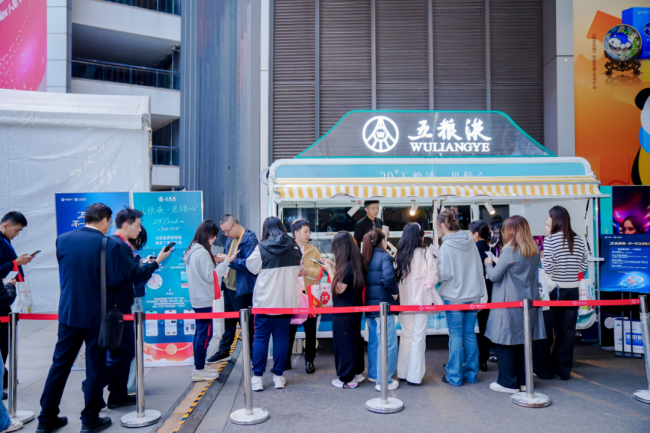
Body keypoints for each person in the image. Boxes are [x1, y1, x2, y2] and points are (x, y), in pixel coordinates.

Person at [37, 204, 123, 433]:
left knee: (59, 365)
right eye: (110, 221)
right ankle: (89, 420)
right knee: (95, 368)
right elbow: (115, 281)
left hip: (68, 313)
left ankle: (45, 419)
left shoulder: (62, 239)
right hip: (97, 316)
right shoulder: (108, 244)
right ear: (104, 220)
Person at [103, 209, 171, 409]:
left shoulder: (111, 243)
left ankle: (117, 395)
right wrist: (157, 262)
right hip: (120, 307)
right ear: (126, 225)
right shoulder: (119, 245)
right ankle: (94, 382)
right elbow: (135, 275)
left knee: (122, 352)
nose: (140, 230)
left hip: (117, 305)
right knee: (125, 352)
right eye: (138, 225)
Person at [485, 216, 546, 393]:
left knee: (505, 342)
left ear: (510, 231)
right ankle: (524, 381)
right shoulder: (534, 250)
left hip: (508, 303)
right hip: (528, 302)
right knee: (523, 342)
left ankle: (508, 383)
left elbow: (494, 276)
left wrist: (488, 264)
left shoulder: (509, 251)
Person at [246, 217, 302, 391]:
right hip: (286, 301)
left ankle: (257, 378)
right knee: (281, 338)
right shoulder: (294, 246)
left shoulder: (261, 247)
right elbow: (298, 269)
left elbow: (251, 267)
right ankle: (278, 377)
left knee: (260, 338)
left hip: (265, 301)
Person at [535, 206, 588, 381]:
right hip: (573, 291)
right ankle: (562, 371)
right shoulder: (578, 239)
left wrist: (543, 259)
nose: (546, 224)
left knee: (545, 330)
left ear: (556, 221)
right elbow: (583, 266)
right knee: (567, 332)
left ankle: (544, 370)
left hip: (555, 290)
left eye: (548, 221)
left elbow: (549, 269)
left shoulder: (550, 239)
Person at [437, 209, 486, 387]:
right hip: (473, 294)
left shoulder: (446, 247)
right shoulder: (470, 242)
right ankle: (471, 374)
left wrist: (435, 265)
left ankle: (454, 376)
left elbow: (444, 274)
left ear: (443, 225)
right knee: (470, 334)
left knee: (456, 336)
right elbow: (479, 268)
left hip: (454, 297)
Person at [208, 215, 258, 363]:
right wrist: (222, 259)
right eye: (223, 232)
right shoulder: (231, 238)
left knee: (246, 324)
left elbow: (249, 264)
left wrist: (227, 260)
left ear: (235, 225)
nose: (225, 234)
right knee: (228, 321)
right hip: (228, 285)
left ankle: (252, 354)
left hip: (242, 288)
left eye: (227, 231)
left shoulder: (250, 239)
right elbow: (228, 259)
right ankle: (224, 350)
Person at [395, 223, 441, 385]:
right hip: (421, 301)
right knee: (418, 337)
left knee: (406, 335)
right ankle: (414, 377)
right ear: (419, 237)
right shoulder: (425, 254)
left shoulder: (399, 255)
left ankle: (402, 372)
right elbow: (433, 278)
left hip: (404, 303)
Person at [322, 232, 365, 389]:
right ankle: (357, 372)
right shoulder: (354, 262)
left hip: (343, 309)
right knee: (354, 340)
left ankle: (347, 378)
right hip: (353, 306)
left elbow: (339, 288)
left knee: (344, 343)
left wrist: (329, 270)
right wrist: (333, 267)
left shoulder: (347, 266)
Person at [183, 220, 222, 382]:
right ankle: (199, 369)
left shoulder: (193, 250)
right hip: (204, 299)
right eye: (213, 236)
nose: (215, 239)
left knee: (200, 334)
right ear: (207, 235)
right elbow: (211, 276)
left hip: (197, 299)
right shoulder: (202, 253)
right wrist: (225, 263)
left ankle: (199, 367)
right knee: (205, 335)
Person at [361, 228, 399, 391]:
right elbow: (389, 278)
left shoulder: (365, 257)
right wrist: (395, 293)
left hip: (370, 306)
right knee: (388, 343)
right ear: (382, 241)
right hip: (384, 306)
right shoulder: (385, 257)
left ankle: (374, 374)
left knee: (374, 342)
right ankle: (385, 381)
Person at [0, 212, 32, 389]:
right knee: (3, 343)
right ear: (6, 225)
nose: (17, 234)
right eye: (16, 230)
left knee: (5, 342)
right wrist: (15, 263)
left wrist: (17, 262)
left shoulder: (4, 240)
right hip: (2, 297)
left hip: (5, 295)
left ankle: (3, 377)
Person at [286, 220, 321, 374]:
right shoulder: (287, 249)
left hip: (309, 295)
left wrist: (308, 272)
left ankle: (309, 361)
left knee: (310, 330)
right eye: (305, 231)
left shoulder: (313, 250)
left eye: (309, 231)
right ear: (296, 233)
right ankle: (285, 361)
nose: (308, 234)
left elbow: (319, 272)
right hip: (291, 294)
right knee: (289, 330)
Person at [126, 227, 149, 396]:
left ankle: (129, 385)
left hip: (128, 302)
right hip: (134, 302)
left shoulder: (126, 253)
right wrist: (150, 268)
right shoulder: (132, 256)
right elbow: (137, 280)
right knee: (135, 345)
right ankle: (132, 386)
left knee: (129, 345)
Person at [468, 220, 494, 372]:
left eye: (470, 233)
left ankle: (468, 361)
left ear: (476, 234)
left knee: (468, 328)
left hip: (474, 291)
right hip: (489, 292)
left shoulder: (472, 249)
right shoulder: (491, 249)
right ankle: (482, 360)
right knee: (485, 327)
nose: (469, 235)